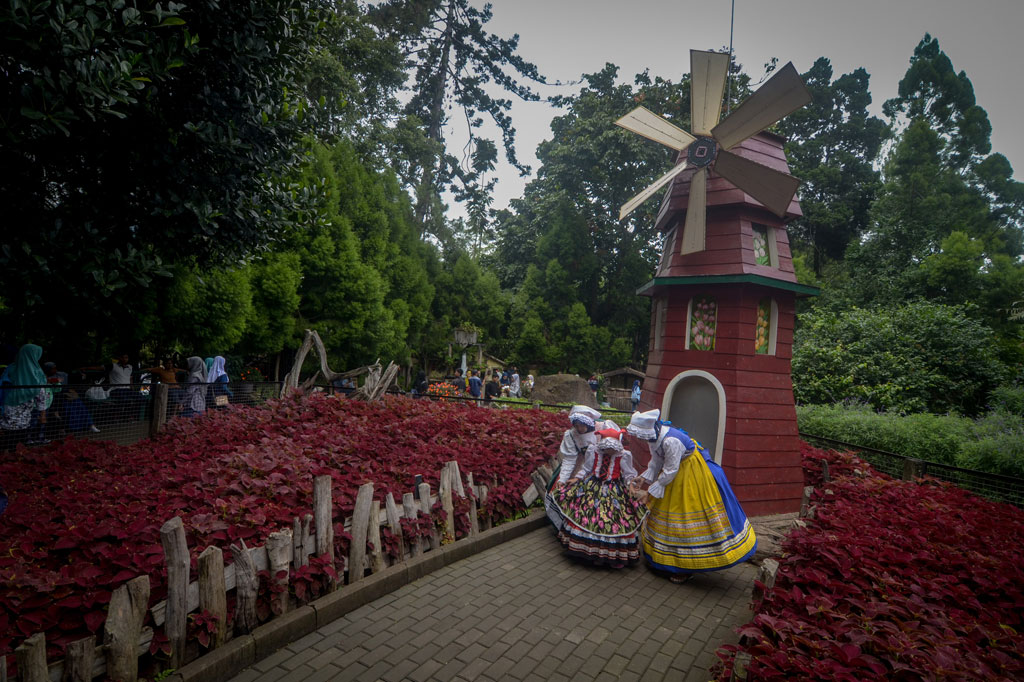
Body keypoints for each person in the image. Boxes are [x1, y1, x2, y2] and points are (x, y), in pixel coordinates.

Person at [626, 409, 757, 583]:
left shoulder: (671, 441)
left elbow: (670, 470)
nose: (641, 439)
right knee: (668, 515)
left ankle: (685, 567)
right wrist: (643, 478)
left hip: (690, 473)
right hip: (674, 473)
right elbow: (657, 461)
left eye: (641, 435)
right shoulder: (655, 436)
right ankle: (663, 559)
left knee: (685, 515)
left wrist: (650, 493)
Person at [550, 423, 647, 567]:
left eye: (612, 449)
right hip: (592, 486)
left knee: (611, 520)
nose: (609, 452)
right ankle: (587, 551)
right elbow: (587, 468)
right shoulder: (593, 451)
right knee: (587, 516)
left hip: (613, 489)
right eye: (607, 449)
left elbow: (628, 474)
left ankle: (611, 554)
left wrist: (631, 485)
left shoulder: (624, 455)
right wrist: (577, 478)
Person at [543, 405, 602, 527]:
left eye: (582, 424)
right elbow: (570, 459)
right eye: (576, 425)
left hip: (599, 467)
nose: (579, 428)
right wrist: (563, 478)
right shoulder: (571, 435)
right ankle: (567, 528)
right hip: (579, 467)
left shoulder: (602, 428)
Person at [1, 344, 53, 449]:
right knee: (18, 442)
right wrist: (42, 414)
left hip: (7, 410)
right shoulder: (36, 372)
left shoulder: (10, 368)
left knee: (7, 441)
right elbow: (41, 394)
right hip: (24, 414)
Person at [44, 362, 100, 434]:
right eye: (53, 368)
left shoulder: (62, 374)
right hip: (55, 397)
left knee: (80, 405)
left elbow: (72, 379)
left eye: (55, 368)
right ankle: (68, 429)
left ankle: (91, 425)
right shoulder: (44, 377)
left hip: (68, 394)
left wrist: (80, 376)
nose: (55, 369)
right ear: (48, 370)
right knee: (66, 408)